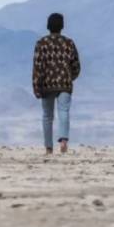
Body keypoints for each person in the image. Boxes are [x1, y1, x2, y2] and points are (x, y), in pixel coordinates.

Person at [32, 13, 81, 154]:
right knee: (64, 111)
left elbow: (37, 67)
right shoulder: (69, 43)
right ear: (62, 26)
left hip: (46, 84)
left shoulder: (41, 44)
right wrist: (69, 77)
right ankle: (64, 141)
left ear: (48, 26)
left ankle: (48, 148)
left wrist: (37, 86)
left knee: (47, 116)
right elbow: (76, 65)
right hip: (65, 83)